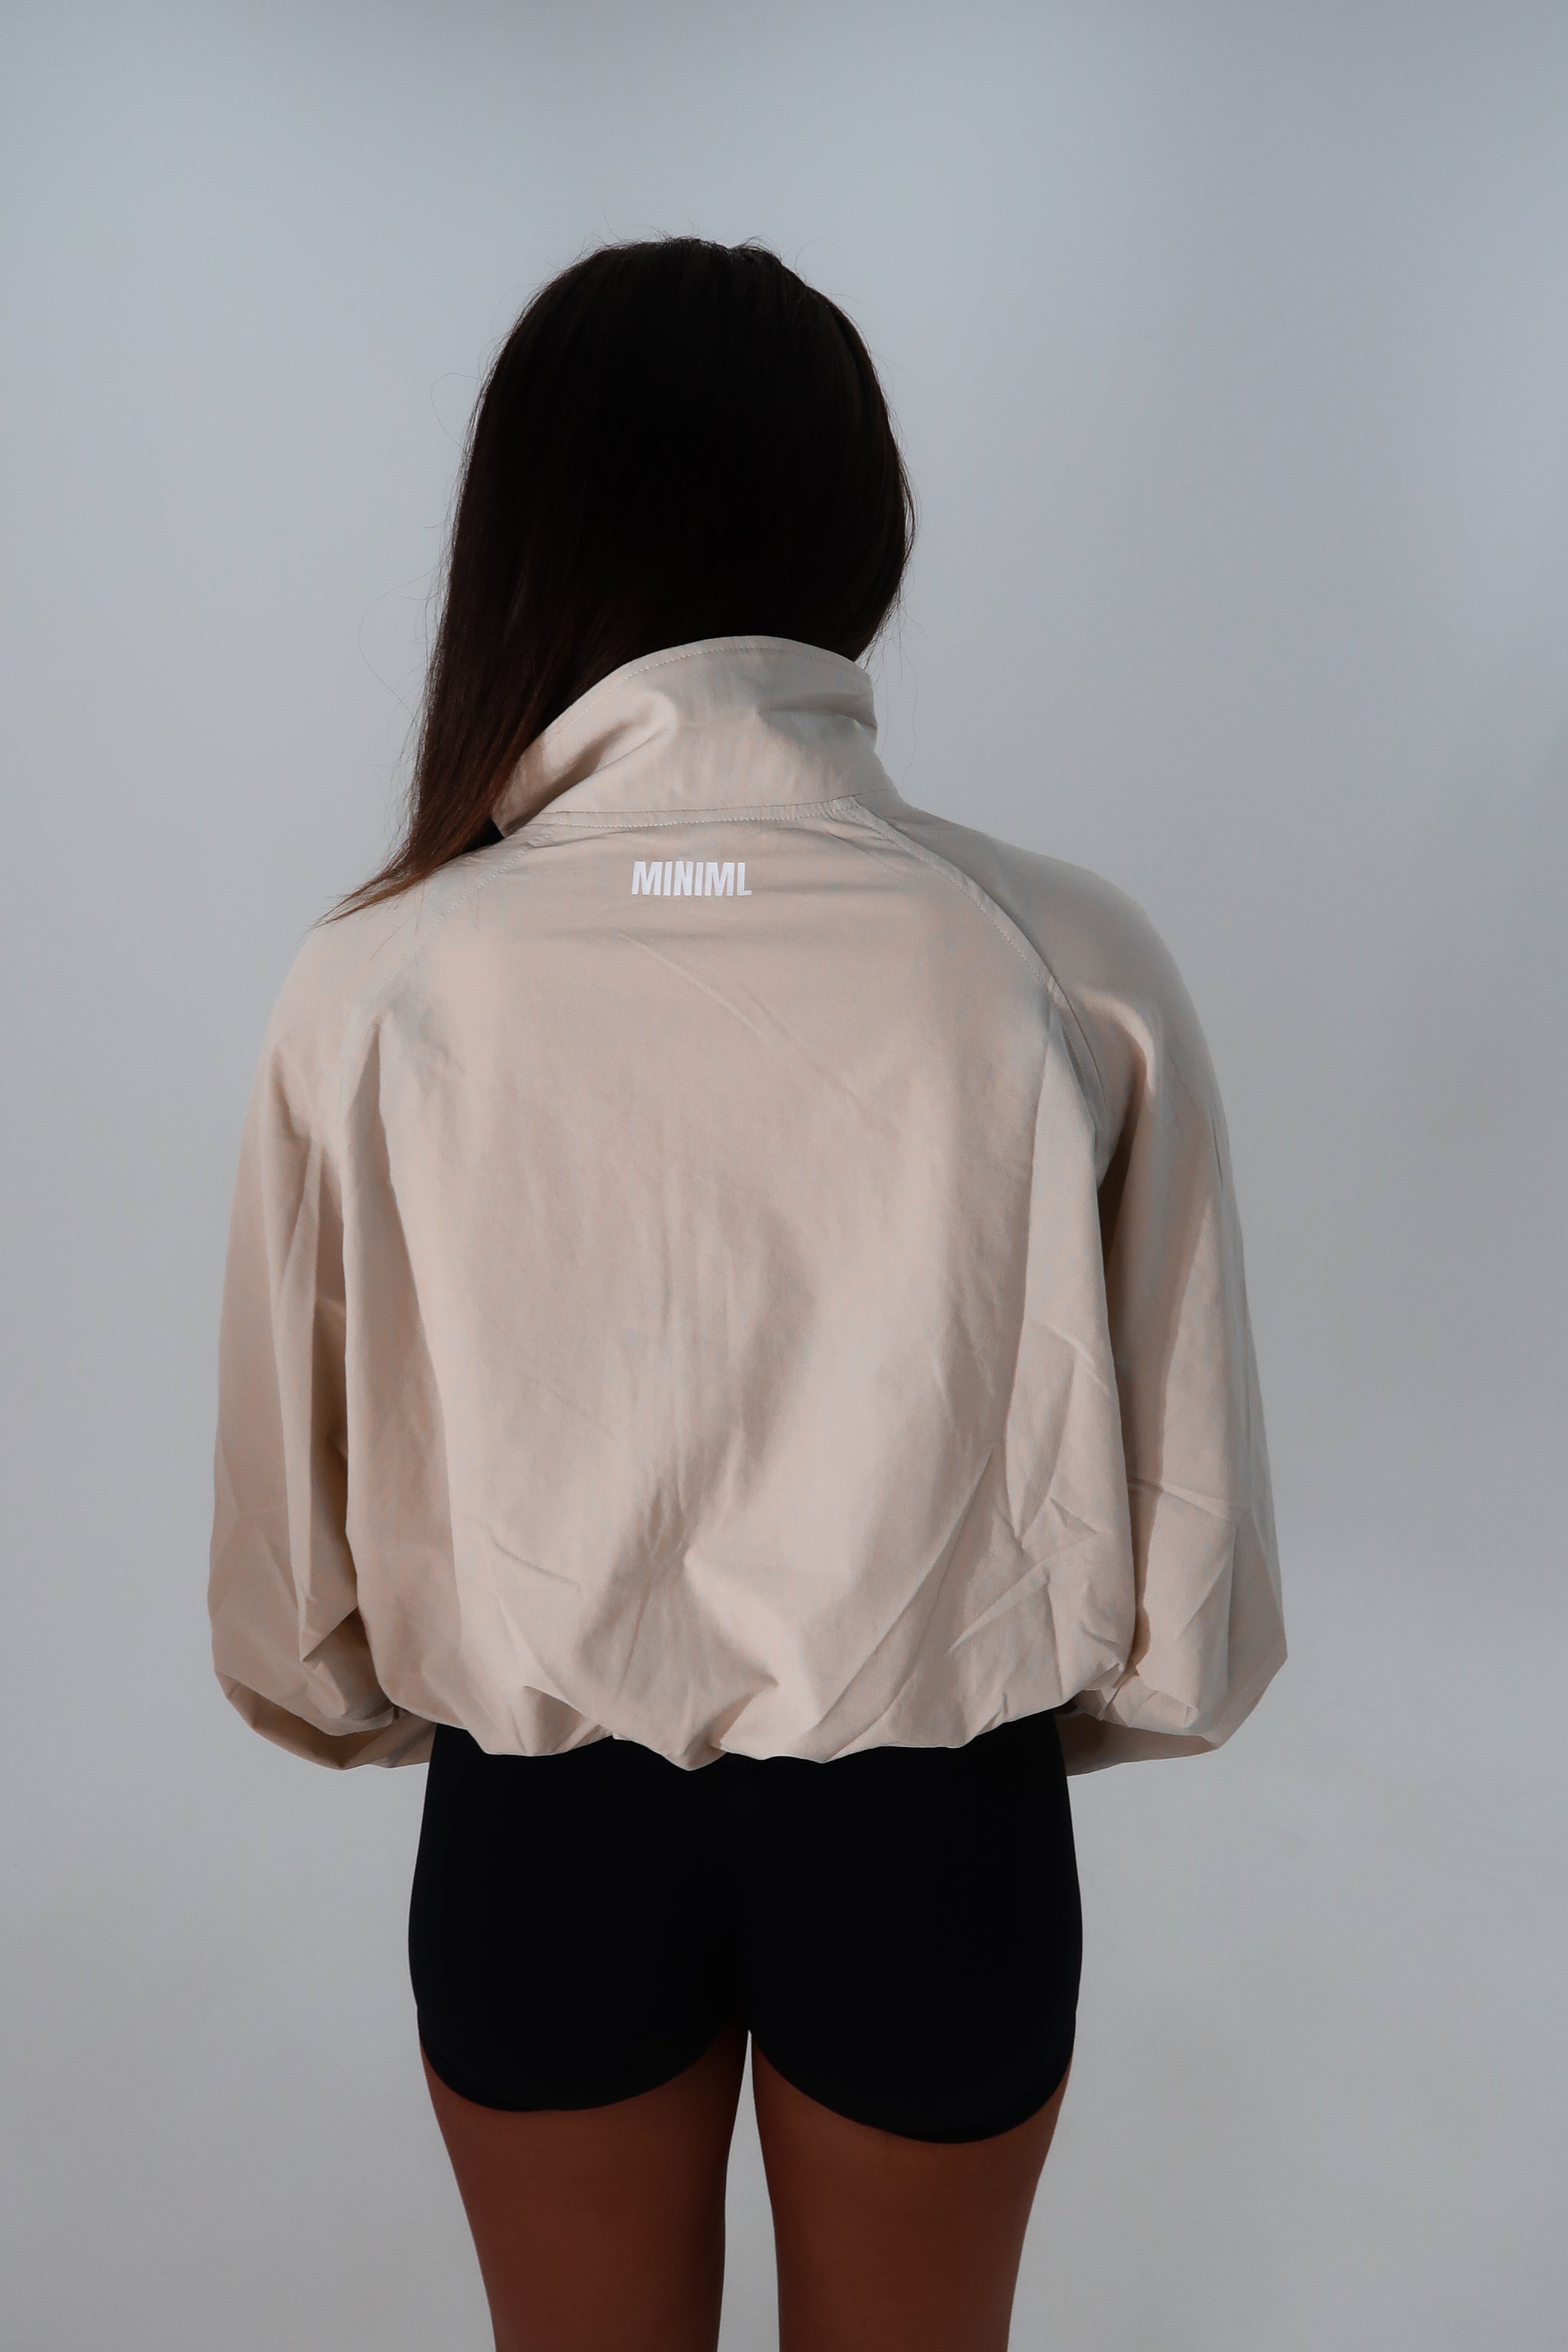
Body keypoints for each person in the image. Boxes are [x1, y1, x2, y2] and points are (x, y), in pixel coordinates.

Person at [207, 237, 1285, 2352]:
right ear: (857, 532)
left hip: (538, 1828)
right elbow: (1188, 1574)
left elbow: (292, 1594)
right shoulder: (1058, 956)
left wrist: (421, 1672)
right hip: (936, 1817)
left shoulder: (377, 977)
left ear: (522, 538)